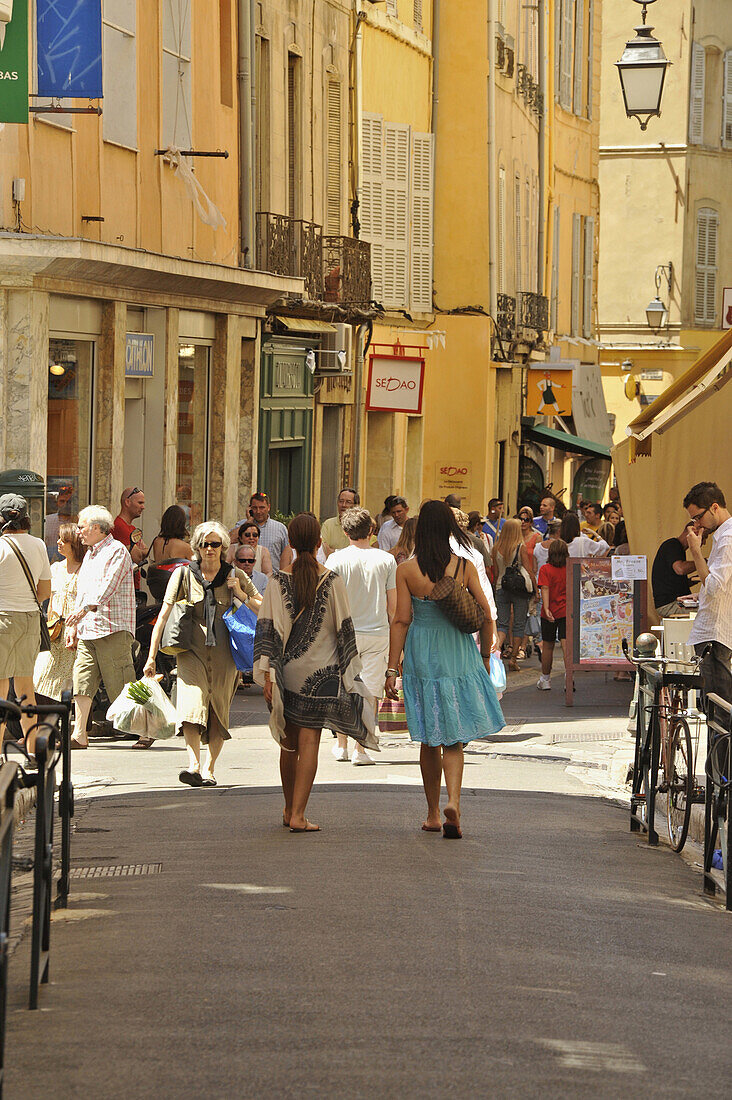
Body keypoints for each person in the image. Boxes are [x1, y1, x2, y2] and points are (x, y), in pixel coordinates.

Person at [385, 501, 504, 839]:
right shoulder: (463, 565)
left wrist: (392, 668)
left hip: (423, 651)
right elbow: (486, 612)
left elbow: (401, 620)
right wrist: (484, 657)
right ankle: (454, 801)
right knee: (454, 738)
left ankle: (434, 813)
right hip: (458, 652)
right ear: (449, 530)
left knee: (429, 737)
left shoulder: (406, 570)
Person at [253, 513, 377, 832]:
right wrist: (348, 673)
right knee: (310, 744)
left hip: (287, 674)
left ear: (290, 543)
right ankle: (299, 814)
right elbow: (345, 630)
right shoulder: (332, 580)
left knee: (288, 744)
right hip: (322, 676)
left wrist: (268, 675)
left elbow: (268, 632)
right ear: (320, 542)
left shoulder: (278, 581)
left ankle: (286, 808)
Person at [145, 521, 262, 785]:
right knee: (191, 705)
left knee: (218, 710)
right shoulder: (184, 575)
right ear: (197, 547)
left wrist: (240, 593)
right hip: (191, 651)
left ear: (223, 547)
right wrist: (151, 657)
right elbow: (163, 615)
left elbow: (262, 607)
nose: (209, 549)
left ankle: (209, 768)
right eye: (204, 544)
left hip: (224, 654)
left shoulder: (235, 575)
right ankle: (194, 765)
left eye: (215, 544)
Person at [328, 507, 397, 765]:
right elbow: (393, 606)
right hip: (377, 632)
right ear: (371, 530)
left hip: (344, 632)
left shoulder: (335, 560)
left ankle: (341, 744)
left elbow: (328, 601)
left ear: (345, 532)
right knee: (369, 691)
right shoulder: (386, 560)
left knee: (344, 688)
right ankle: (362, 747)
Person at [65, 506, 137, 750]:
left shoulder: (117, 550)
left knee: (122, 684)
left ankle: (148, 728)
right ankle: (79, 734)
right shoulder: (90, 554)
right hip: (88, 629)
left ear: (96, 527)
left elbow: (108, 587)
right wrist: (74, 625)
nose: (78, 531)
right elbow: (82, 590)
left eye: (82, 526)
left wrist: (83, 610)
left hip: (112, 628)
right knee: (82, 681)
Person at [0, 494, 52, 752]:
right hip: (30, 618)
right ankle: (33, 752)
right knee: (25, 688)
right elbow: (44, 592)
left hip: (2, 618)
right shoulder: (39, 545)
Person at [683, 482, 732, 705]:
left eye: (698, 517)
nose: (696, 523)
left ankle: (720, 742)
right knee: (714, 703)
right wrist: (699, 594)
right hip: (714, 629)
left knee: (716, 705)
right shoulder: (723, 536)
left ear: (714, 507)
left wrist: (695, 550)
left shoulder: (727, 538)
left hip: (715, 631)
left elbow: (713, 586)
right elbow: (718, 586)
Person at [34, 524, 86, 702]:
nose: (58, 542)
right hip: (54, 633)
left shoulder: (86, 569)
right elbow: (49, 601)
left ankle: (68, 720)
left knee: (70, 682)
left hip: (75, 634)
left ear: (74, 544)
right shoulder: (55, 568)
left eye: (64, 540)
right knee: (40, 674)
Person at [492, 518, 534, 670]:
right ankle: (513, 659)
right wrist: (535, 588)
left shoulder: (496, 547)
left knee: (502, 624)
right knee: (518, 624)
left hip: (501, 587)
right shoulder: (520, 546)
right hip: (519, 589)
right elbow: (528, 570)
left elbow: (496, 573)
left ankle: (495, 652)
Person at [536, 539, 569, 690]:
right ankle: (569, 677)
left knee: (548, 645)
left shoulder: (545, 569)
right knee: (566, 645)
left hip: (549, 611)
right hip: (567, 611)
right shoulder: (570, 568)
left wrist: (547, 608)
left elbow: (545, 588)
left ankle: (546, 679)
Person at [651, 524, 696, 619]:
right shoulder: (673, 545)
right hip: (669, 605)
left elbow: (674, 583)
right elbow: (680, 569)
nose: (703, 542)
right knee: (708, 610)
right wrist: (703, 562)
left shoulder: (676, 548)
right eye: (702, 538)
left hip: (673, 602)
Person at [113, 487, 148, 594]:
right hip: (124, 588)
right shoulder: (119, 526)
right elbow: (138, 558)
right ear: (127, 502)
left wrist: (140, 551)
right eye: (140, 503)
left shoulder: (132, 529)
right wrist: (140, 551)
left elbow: (146, 552)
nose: (143, 507)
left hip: (132, 585)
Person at [246, 492, 292, 570]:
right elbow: (229, 541)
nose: (258, 511)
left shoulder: (280, 528)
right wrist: (249, 522)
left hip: (273, 578)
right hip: (247, 578)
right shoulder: (242, 526)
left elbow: (288, 555)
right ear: (250, 509)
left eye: (262, 507)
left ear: (268, 507)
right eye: (254, 508)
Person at [320, 488, 359, 558]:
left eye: (348, 502)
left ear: (356, 506)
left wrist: (333, 551)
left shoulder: (361, 525)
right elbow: (325, 551)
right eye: (341, 501)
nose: (343, 505)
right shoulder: (328, 524)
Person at [44, 483, 75, 559]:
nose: (65, 505)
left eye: (68, 502)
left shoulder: (77, 522)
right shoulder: (47, 520)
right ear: (57, 502)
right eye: (62, 501)